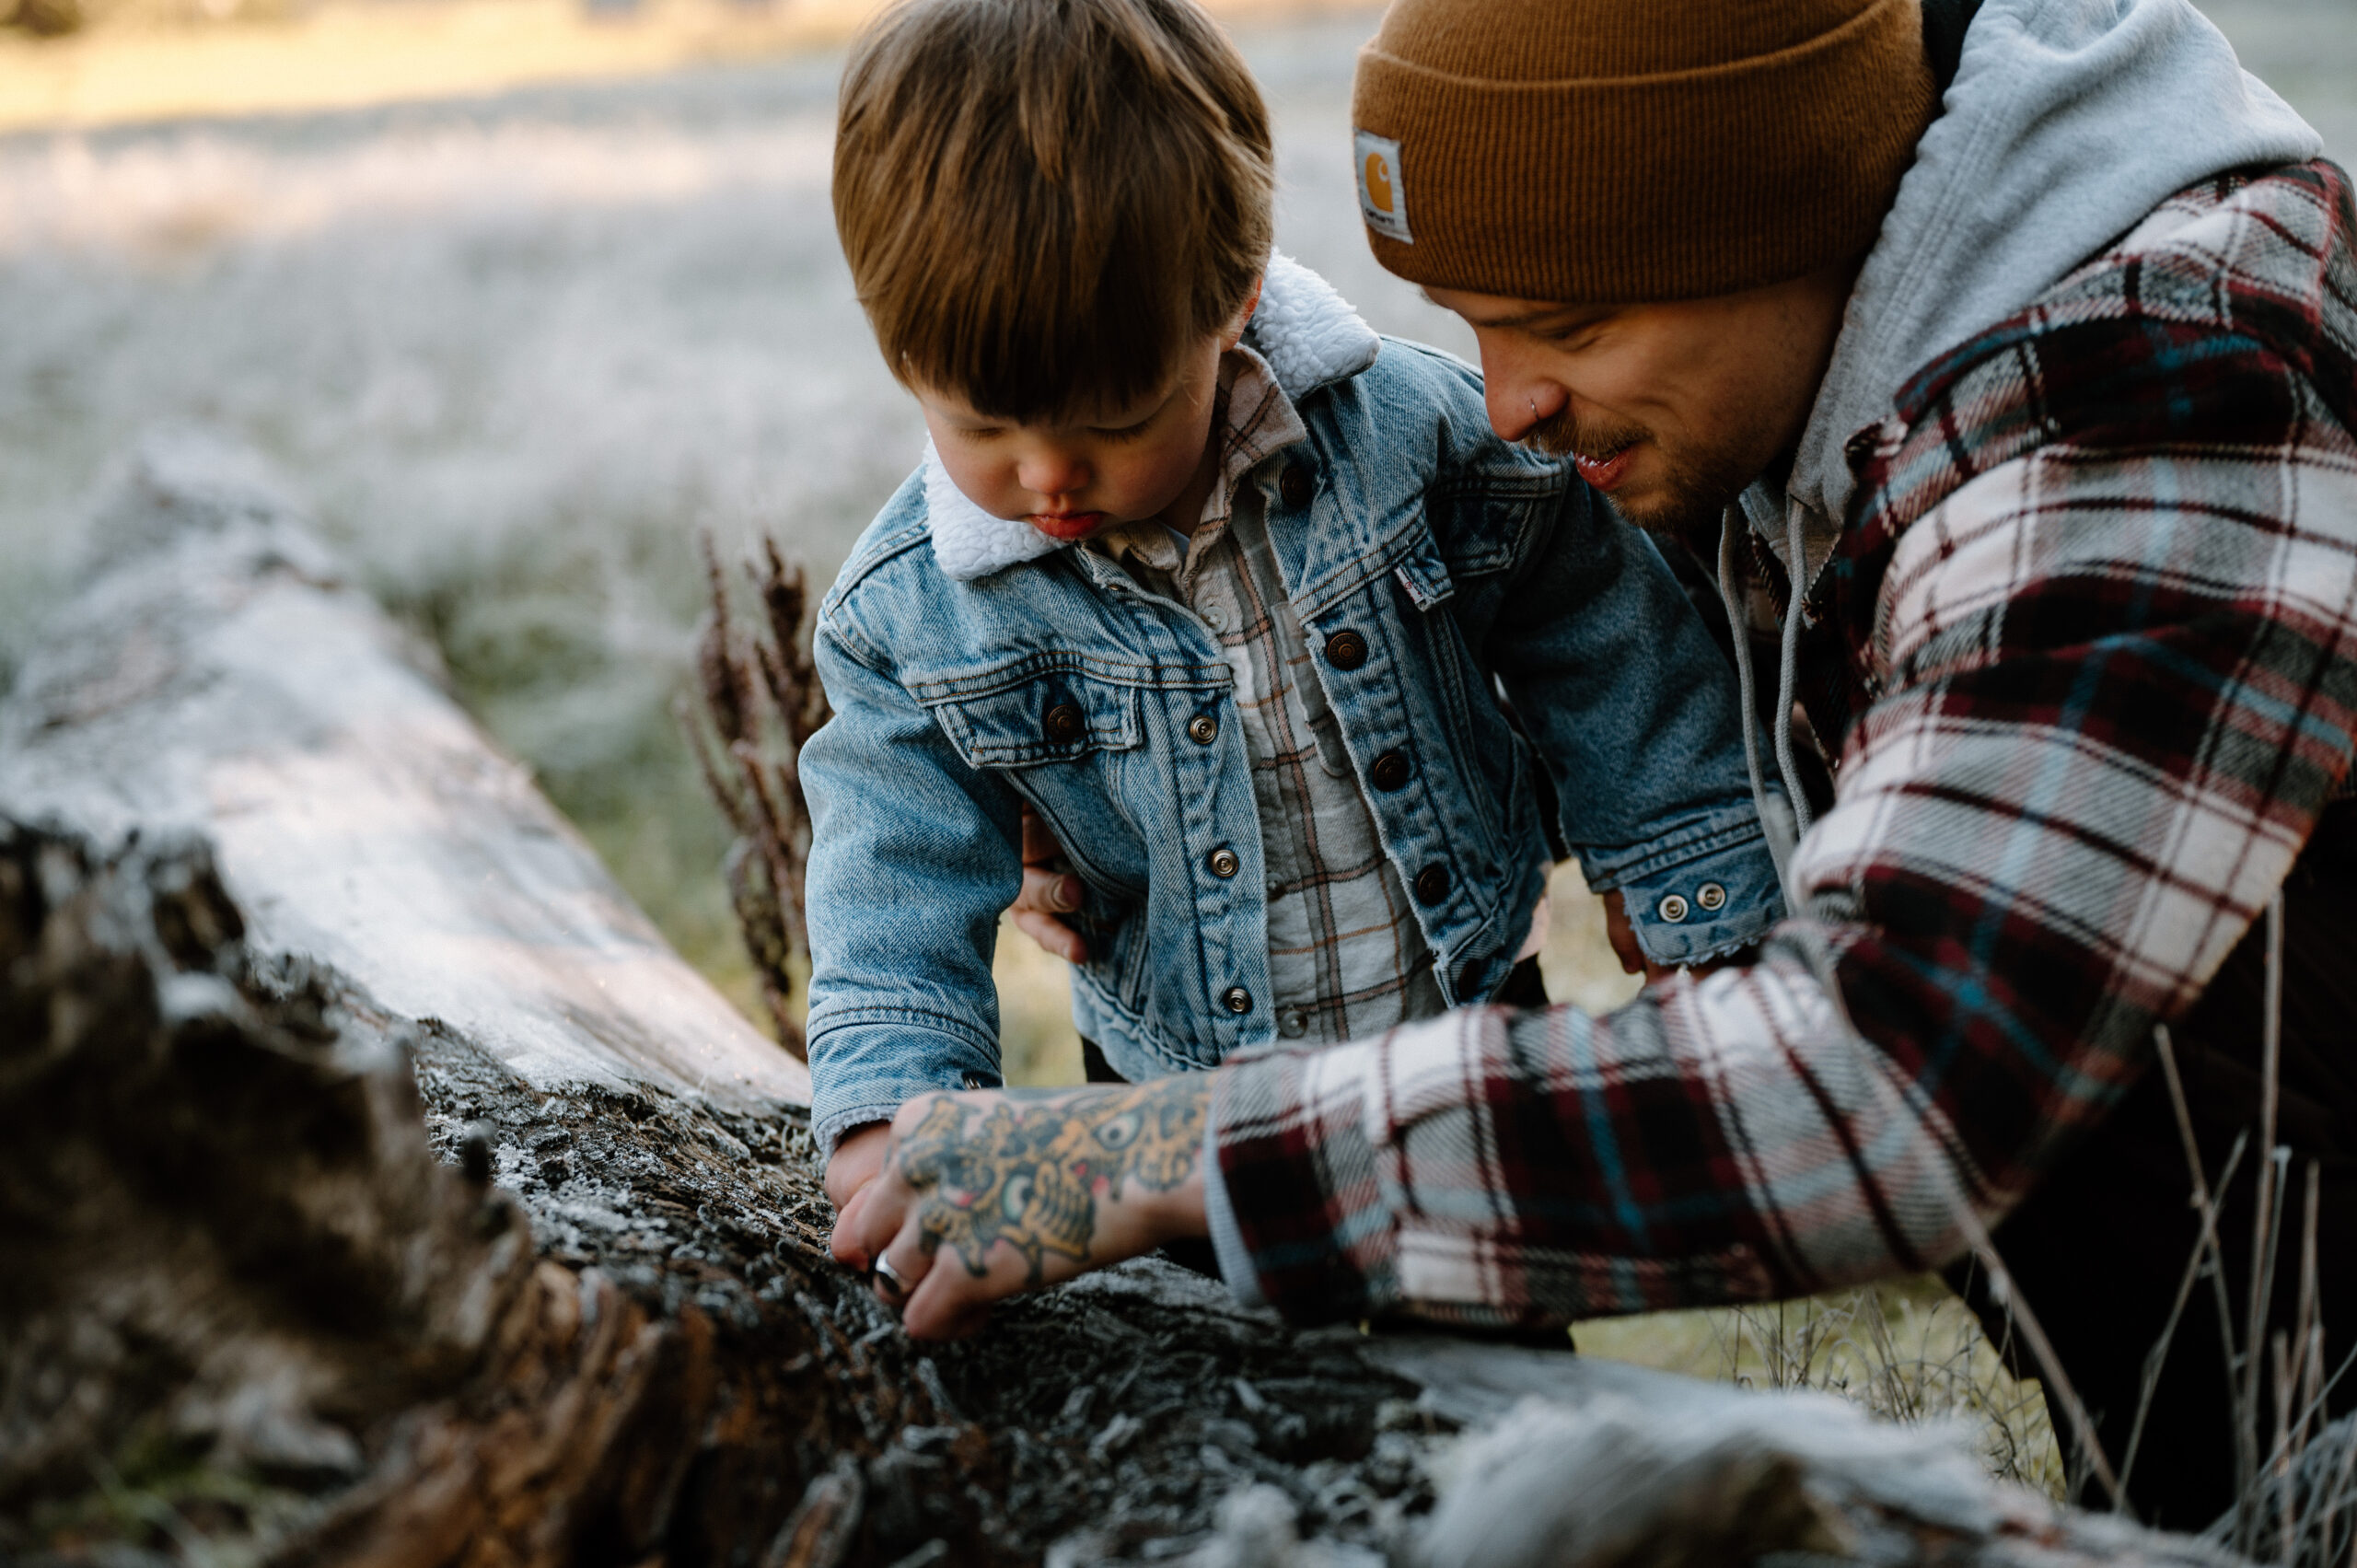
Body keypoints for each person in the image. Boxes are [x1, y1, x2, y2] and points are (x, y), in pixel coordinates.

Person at [836, 0, 2357, 1529]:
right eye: (1477, 325)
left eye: (1570, 325)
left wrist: (1168, 1150)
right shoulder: (1854, 355)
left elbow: (1887, 1083)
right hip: (2216, 1353)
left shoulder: (2148, 412)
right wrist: (1137, 768)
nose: (1506, 410)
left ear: (1786, 213)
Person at [805, 0, 1789, 1257]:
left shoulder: (1412, 442)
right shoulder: (916, 615)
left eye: (1114, 419)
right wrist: (895, 1115)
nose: (1048, 476)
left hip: (1464, 1058)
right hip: (1164, 1122)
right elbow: (890, 874)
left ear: (1232, 298)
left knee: (1503, 1394)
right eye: (981, 428)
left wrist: (1681, 878)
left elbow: (1599, 627)